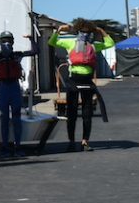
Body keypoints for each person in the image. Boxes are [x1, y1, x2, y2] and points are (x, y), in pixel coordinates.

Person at [49, 20, 114, 152]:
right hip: (80, 81)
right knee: (79, 113)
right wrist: (101, 31)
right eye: (84, 32)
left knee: (79, 113)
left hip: (80, 81)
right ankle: (78, 141)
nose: (85, 34)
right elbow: (110, 43)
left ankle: (78, 141)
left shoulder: (82, 44)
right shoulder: (84, 44)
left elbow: (52, 42)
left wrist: (59, 30)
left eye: (86, 32)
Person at [0, 30, 39, 157]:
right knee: (4, 118)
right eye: (4, 41)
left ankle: (18, 147)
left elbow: (35, 52)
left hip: (14, 87)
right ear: (0, 42)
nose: (6, 43)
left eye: (9, 40)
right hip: (4, 87)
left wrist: (32, 39)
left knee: (16, 118)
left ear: (13, 42)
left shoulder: (16, 55)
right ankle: (4, 147)